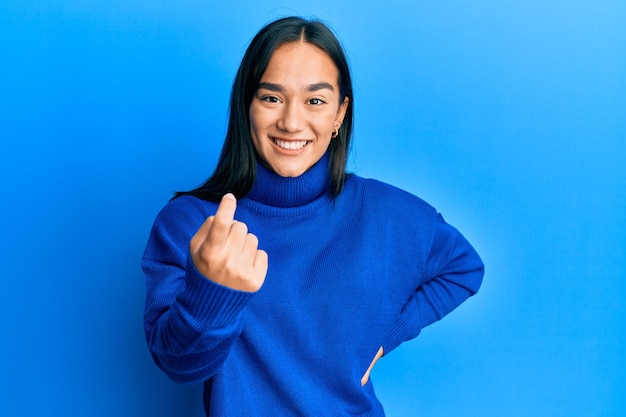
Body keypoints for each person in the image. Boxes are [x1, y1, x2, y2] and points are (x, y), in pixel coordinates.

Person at [142, 16, 484, 416]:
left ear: (339, 114)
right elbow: (179, 365)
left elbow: (464, 268)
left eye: (315, 101)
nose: (290, 121)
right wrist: (212, 291)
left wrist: (389, 335)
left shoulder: (388, 214)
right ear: (245, 107)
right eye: (271, 98)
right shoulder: (192, 225)